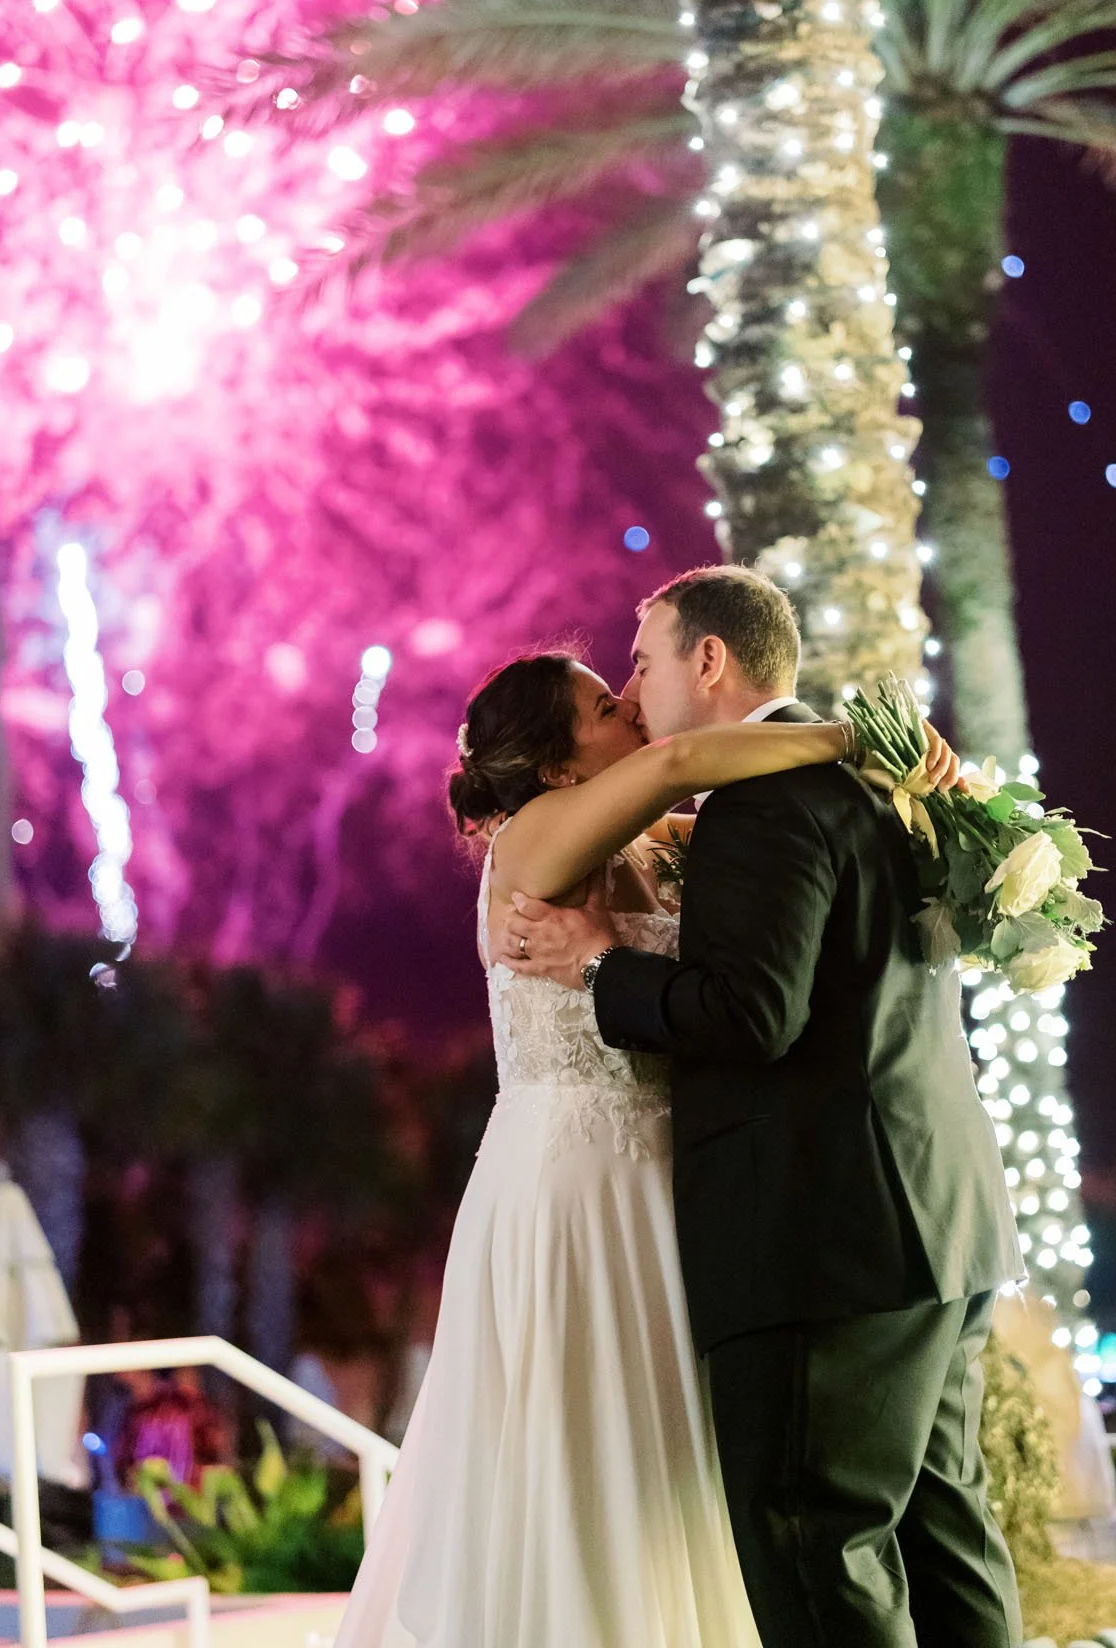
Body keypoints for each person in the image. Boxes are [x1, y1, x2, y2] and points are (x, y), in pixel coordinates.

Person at [331, 621, 959, 1648]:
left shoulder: (661, 842)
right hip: (577, 1180)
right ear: (554, 761)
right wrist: (856, 738)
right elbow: (682, 757)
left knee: (689, 1467)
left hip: (677, 1178)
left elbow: (758, 827)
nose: (629, 703)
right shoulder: (531, 839)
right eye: (600, 707)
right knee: (590, 1451)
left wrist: (925, 782)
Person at [503, 566, 1025, 1648]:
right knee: (944, 1539)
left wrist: (602, 965)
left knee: (815, 1548)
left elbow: (750, 1016)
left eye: (641, 662)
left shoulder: (761, 799)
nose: (636, 692)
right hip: (937, 1219)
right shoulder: (883, 788)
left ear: (708, 658)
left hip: (823, 1240)